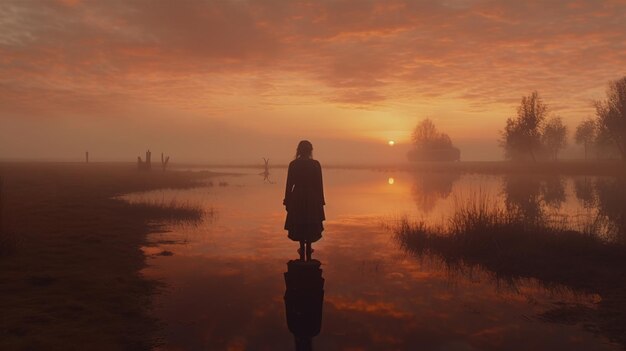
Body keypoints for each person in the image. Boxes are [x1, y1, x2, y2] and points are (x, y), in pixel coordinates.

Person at [283, 140, 325, 261]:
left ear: (298, 150)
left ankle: (302, 247)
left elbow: (289, 185)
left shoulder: (293, 164)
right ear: (310, 150)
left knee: (300, 220)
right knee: (310, 220)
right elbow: (319, 185)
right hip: (312, 196)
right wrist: (321, 201)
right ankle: (309, 247)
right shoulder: (316, 164)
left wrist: (287, 200)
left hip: (297, 196)